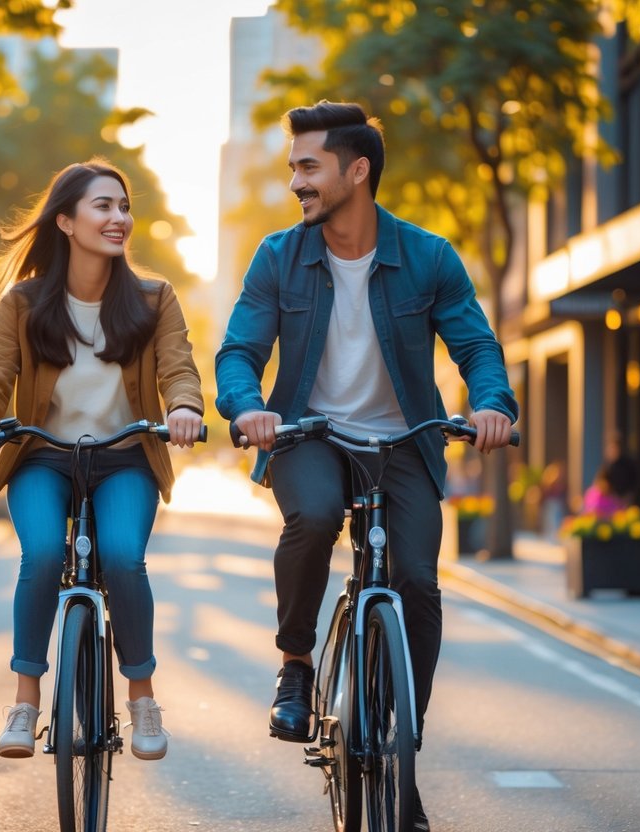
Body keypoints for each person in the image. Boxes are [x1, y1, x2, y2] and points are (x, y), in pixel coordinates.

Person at [214, 101, 516, 830]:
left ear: (357, 171)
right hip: (309, 436)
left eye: (308, 166)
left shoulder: (427, 257)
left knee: (416, 581)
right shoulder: (278, 257)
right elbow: (238, 351)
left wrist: (490, 404)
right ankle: (295, 665)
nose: (295, 182)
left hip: (403, 439)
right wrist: (247, 406)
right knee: (313, 517)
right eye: (293, 167)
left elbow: (474, 345)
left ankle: (396, 743)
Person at [0, 159, 203, 762]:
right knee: (40, 556)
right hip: (42, 456)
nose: (120, 218)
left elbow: (178, 367)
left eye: (123, 206)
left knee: (120, 556)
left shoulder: (152, 297)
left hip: (125, 459)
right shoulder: (25, 302)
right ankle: (25, 701)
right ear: (65, 221)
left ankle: (141, 698)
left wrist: (186, 408)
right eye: (103, 206)